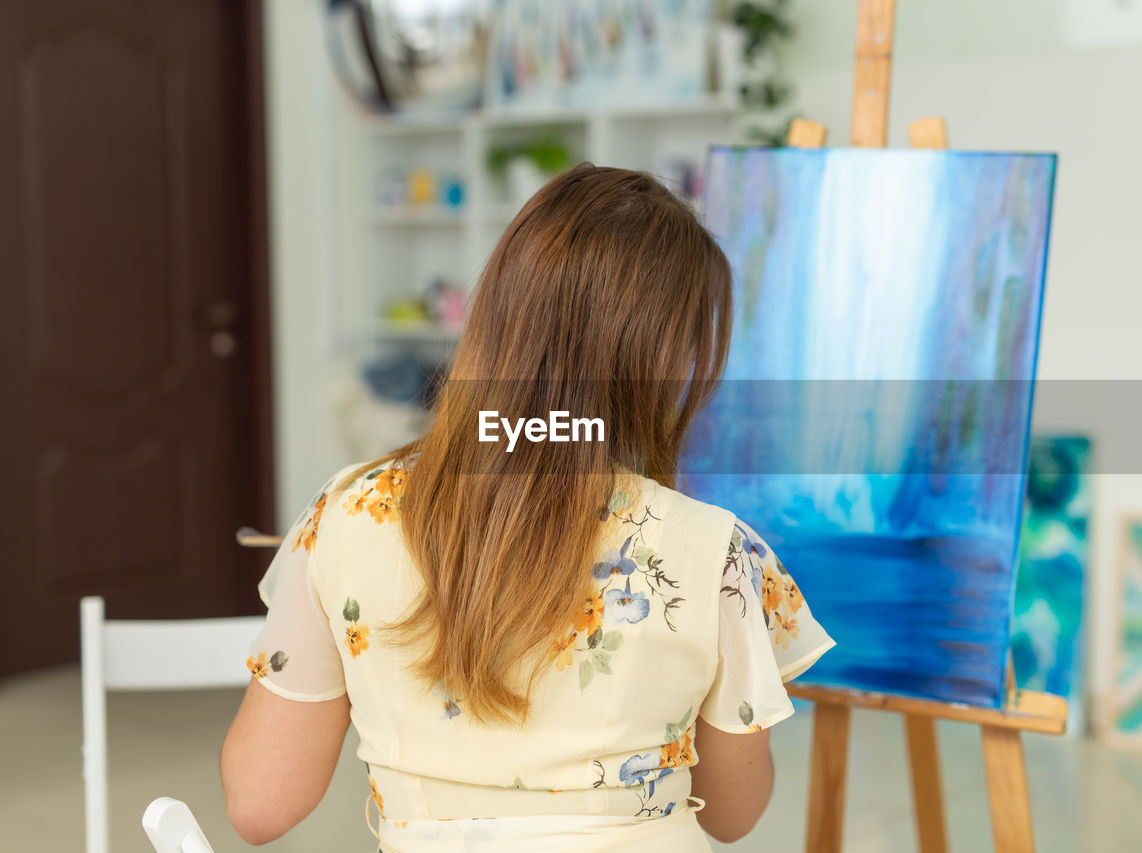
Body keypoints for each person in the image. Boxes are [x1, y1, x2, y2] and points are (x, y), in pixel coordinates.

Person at [220, 165, 834, 851]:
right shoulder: (715, 554)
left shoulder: (344, 516)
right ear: (666, 357)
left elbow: (260, 801)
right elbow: (731, 813)